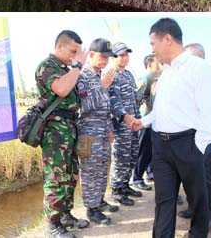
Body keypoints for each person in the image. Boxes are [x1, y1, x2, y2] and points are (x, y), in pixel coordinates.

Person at [134, 18, 211, 238]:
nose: (151, 49)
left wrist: (197, 149)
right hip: (161, 147)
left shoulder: (199, 68)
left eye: (153, 43)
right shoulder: (166, 72)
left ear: (168, 39)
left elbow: (210, 115)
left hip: (188, 144)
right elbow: (161, 109)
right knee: (163, 201)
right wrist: (142, 122)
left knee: (197, 199)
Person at [35, 30, 89, 238]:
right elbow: (62, 90)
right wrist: (76, 67)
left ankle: (65, 215)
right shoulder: (47, 66)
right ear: (59, 47)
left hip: (69, 129)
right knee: (56, 177)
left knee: (69, 174)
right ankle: (53, 225)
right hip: (54, 132)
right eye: (73, 51)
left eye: (78, 53)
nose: (75, 57)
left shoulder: (65, 68)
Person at [177, 43, 211, 228]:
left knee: (206, 178)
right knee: (188, 176)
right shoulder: (183, 78)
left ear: (199, 58)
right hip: (185, 137)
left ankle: (206, 215)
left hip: (208, 138)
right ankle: (193, 207)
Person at [76, 39, 119, 226]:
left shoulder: (100, 75)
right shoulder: (82, 75)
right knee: (89, 170)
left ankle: (99, 200)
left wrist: (110, 129)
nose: (106, 61)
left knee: (102, 167)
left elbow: (106, 106)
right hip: (87, 133)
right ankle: (91, 209)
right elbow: (85, 106)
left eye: (108, 58)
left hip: (102, 131)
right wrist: (102, 86)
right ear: (91, 54)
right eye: (102, 56)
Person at [108, 42, 143, 206]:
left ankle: (125, 185)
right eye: (121, 55)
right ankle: (116, 190)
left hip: (133, 123)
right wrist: (126, 117)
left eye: (127, 54)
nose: (125, 58)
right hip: (121, 124)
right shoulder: (111, 75)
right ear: (113, 57)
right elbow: (114, 101)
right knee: (120, 158)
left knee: (132, 155)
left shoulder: (128, 75)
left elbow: (133, 100)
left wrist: (138, 118)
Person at [131, 54, 161, 191]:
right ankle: (137, 178)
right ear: (149, 65)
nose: (160, 66)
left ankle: (149, 173)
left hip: (152, 121)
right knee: (143, 150)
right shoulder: (144, 79)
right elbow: (138, 98)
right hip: (144, 119)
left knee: (150, 150)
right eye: (157, 64)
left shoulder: (158, 78)